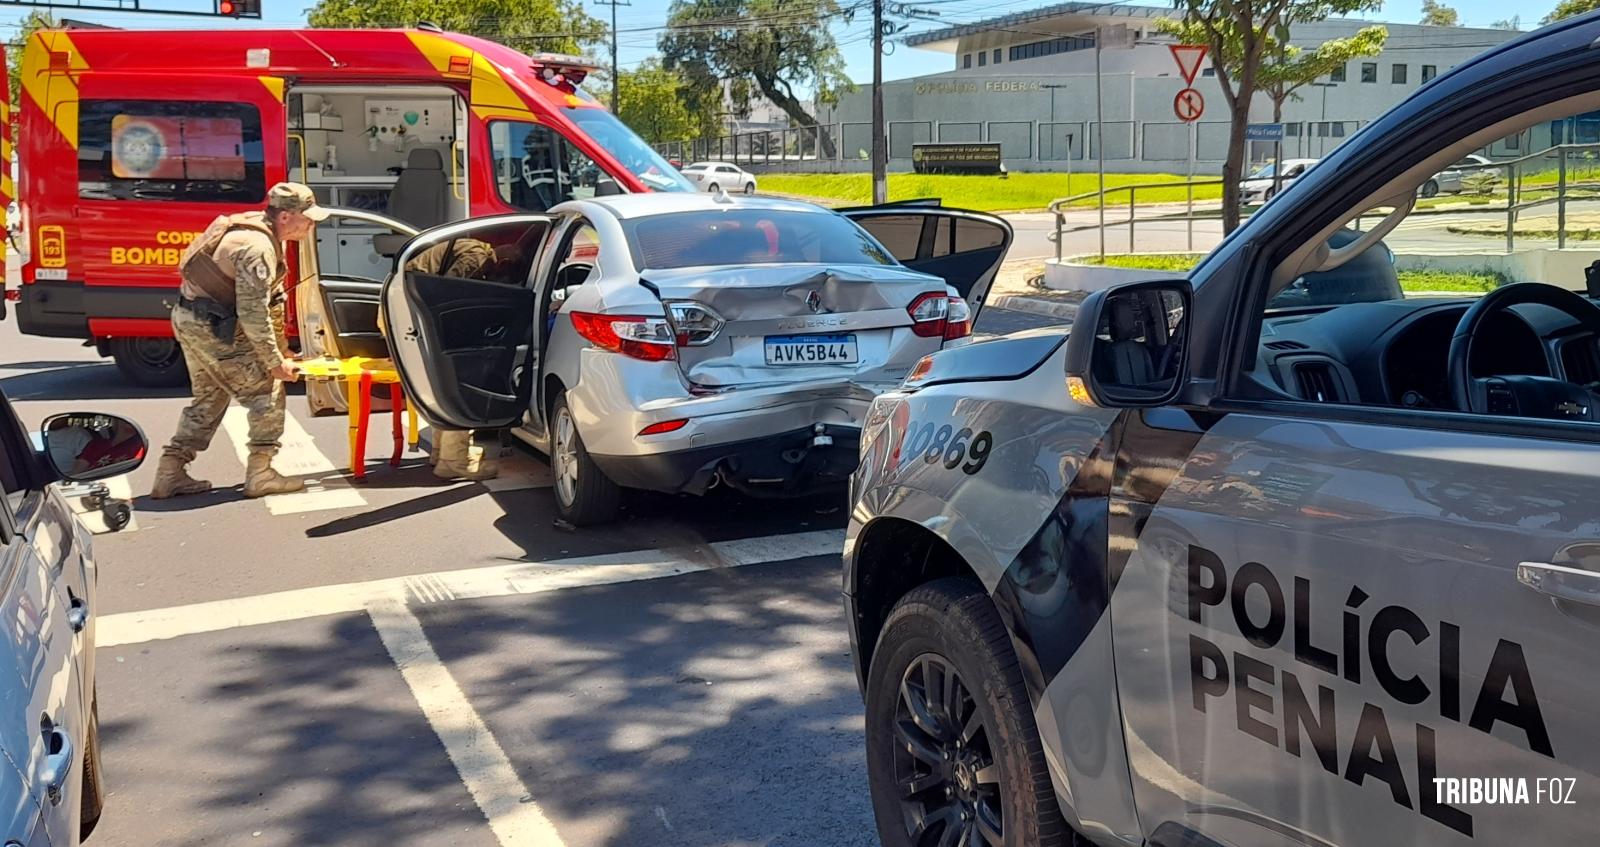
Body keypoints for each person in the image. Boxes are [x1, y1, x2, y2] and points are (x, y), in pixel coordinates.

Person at [150, 183, 326, 499]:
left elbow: (265, 304)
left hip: (193, 320)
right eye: (307, 217)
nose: (312, 224)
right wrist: (275, 363)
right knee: (267, 393)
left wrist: (282, 350)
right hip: (216, 328)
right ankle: (260, 473)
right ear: (285, 216)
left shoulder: (250, 227)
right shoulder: (258, 248)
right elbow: (253, 312)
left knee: (209, 397)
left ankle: (170, 472)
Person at [399, 236, 501, 482]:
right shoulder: (480, 255)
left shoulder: (464, 245)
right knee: (459, 386)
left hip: (403, 310)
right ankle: (454, 462)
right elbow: (451, 290)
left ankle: (440, 453)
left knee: (439, 386)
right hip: (416, 314)